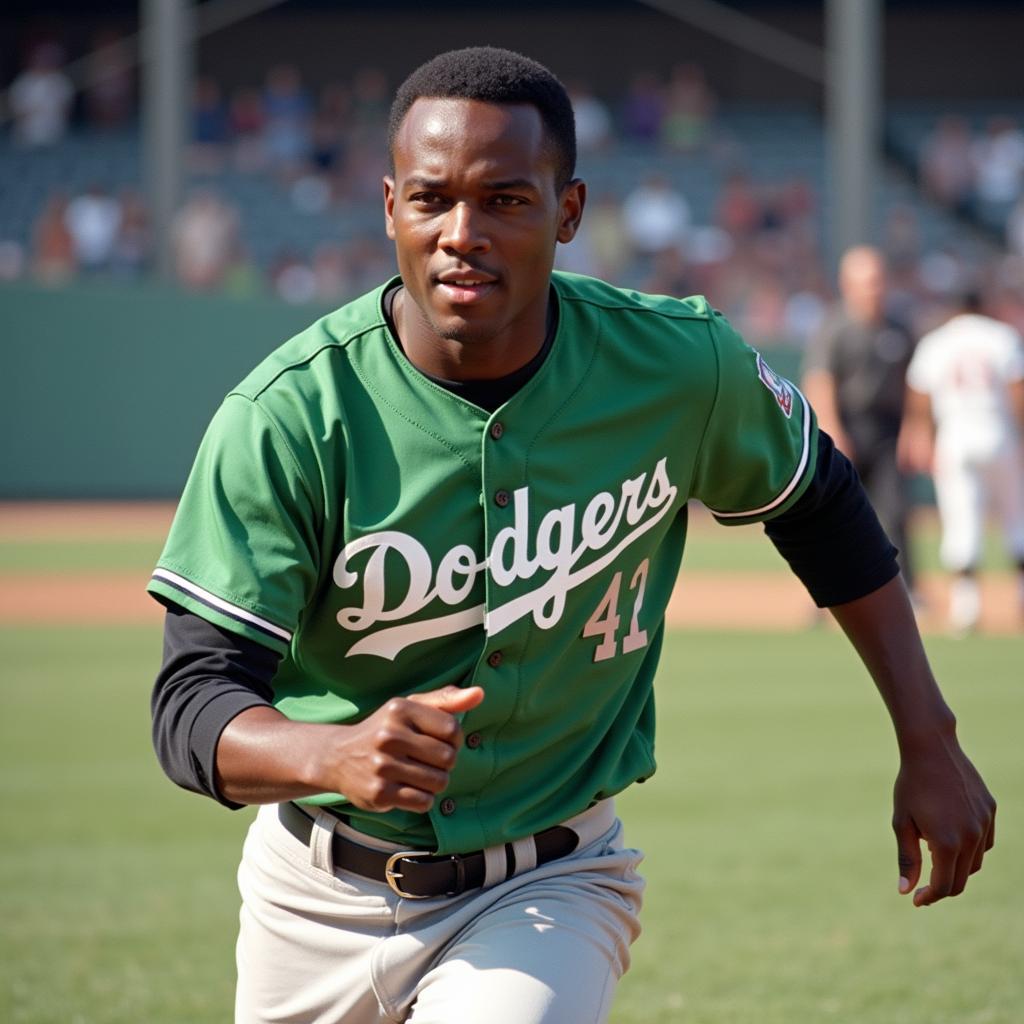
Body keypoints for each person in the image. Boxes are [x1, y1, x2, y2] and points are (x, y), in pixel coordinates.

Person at [148, 48, 995, 1024]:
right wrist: (326, 754)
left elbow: (820, 504)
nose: (461, 233)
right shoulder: (290, 416)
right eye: (430, 200)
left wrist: (927, 735)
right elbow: (191, 702)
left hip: (546, 885)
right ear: (389, 208)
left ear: (570, 210)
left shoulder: (677, 366)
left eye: (505, 199)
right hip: (311, 894)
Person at [898, 291, 1024, 632]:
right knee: (1017, 517)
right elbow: (1017, 390)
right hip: (999, 432)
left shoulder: (937, 341)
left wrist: (920, 434)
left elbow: (919, 394)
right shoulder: (1001, 336)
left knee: (960, 519)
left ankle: (966, 606)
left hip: (955, 437)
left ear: (955, 309)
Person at [802, 245, 918, 595]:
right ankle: (827, 591)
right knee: (833, 515)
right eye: (866, 281)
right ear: (847, 284)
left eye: (879, 280)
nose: (874, 287)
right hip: (847, 428)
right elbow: (819, 380)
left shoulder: (898, 327)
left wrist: (914, 429)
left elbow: (916, 382)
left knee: (895, 512)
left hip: (887, 431)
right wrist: (833, 431)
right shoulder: (834, 326)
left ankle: (905, 589)